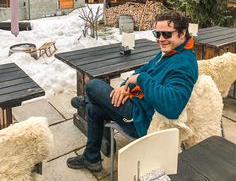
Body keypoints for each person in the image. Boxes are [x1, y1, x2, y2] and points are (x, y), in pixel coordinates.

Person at [67, 10, 198, 172]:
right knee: (93, 109)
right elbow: (145, 68)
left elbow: (173, 107)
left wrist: (140, 79)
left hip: (142, 120)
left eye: (166, 34)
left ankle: (85, 100)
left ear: (182, 33)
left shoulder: (184, 63)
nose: (161, 39)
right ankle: (91, 158)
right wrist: (125, 87)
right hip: (136, 105)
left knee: (93, 85)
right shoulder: (170, 52)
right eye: (157, 33)